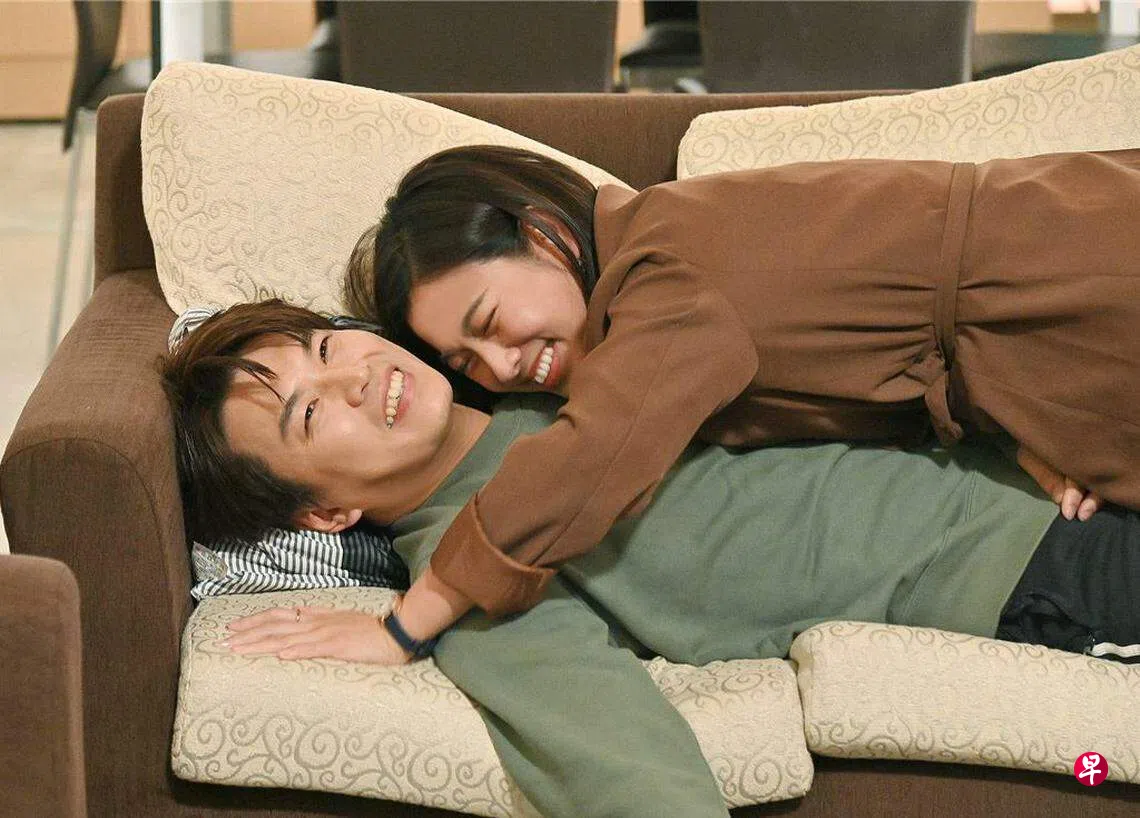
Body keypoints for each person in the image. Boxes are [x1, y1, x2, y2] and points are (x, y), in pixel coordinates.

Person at [163, 300, 1138, 817]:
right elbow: (621, 761)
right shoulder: (471, 568)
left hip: (1062, 458)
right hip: (1028, 569)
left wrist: (1022, 422)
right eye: (308, 410)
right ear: (326, 512)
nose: (353, 373)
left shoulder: (546, 363)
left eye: (324, 344)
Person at [343, 145, 1140, 645]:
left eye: (489, 322)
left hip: (1086, 284)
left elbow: (595, 457)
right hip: (1059, 301)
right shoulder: (660, 253)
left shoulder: (658, 275)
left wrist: (413, 619)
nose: (501, 365)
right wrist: (1021, 422)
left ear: (544, 234)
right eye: (466, 359)